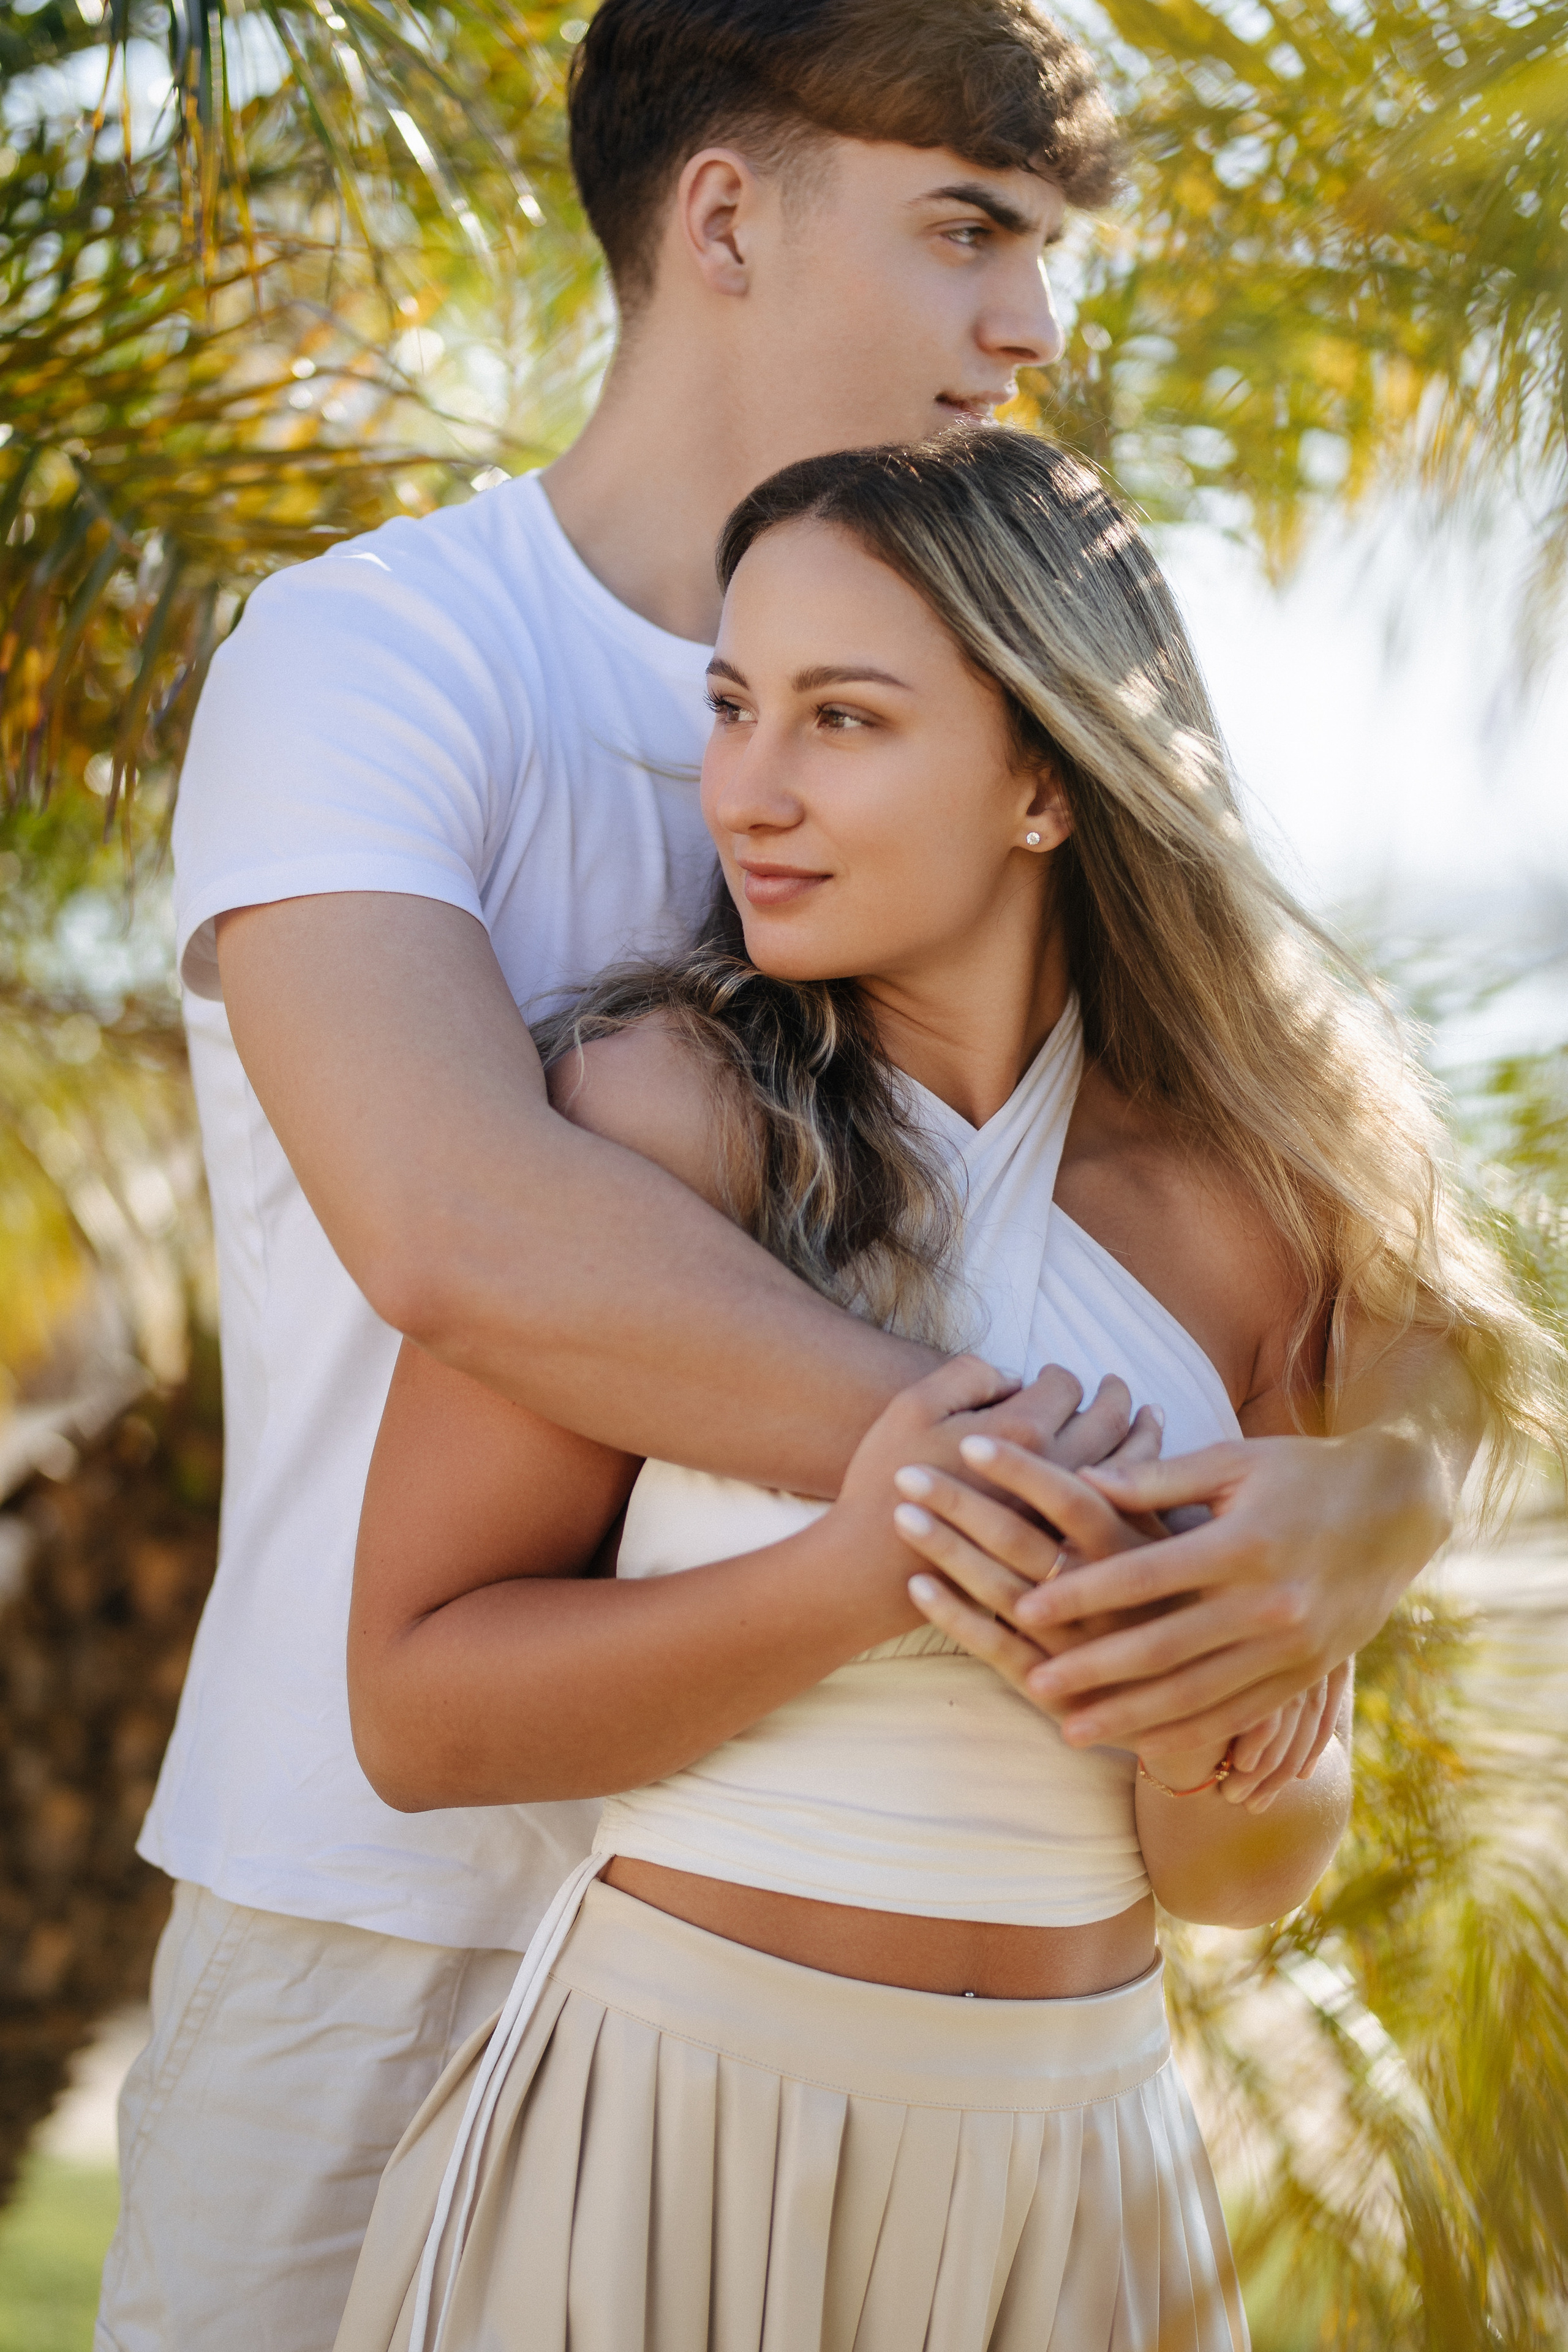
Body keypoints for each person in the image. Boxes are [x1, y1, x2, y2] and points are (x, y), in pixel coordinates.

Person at [97, 6, 1481, 2349]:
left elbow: (1331, 1176)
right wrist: (1063, 1509)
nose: (1030, 326)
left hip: (929, 1975)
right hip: (386, 1897)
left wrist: (1379, 1503)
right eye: (969, 232)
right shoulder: (383, 656)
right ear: (725, 214)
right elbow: (470, 1234)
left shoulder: (966, 651)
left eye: (1042, 251)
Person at [330, 431, 1552, 2352]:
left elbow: (1244, 1875)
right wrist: (862, 1568)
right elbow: (413, 1708)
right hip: (669, 2140)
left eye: (845, 720)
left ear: (1050, 778)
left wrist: (1200, 1732)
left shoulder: (1261, 1212)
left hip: (1077, 2178)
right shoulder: (667, 1122)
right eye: (734, 707)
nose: (752, 790)